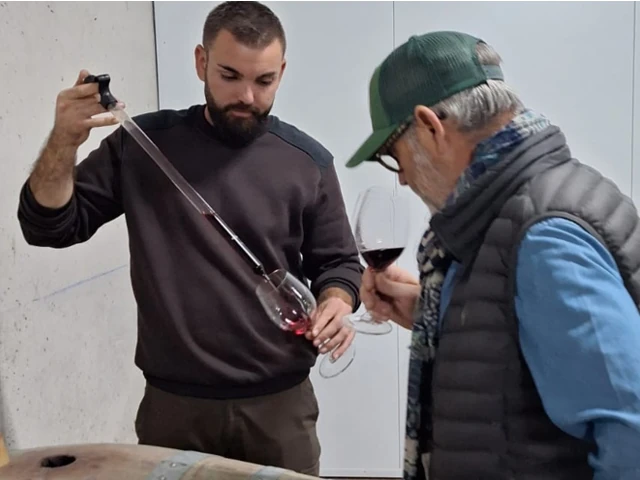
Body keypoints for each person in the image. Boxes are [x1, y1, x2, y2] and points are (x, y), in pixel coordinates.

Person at [16, 1, 362, 475]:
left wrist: (338, 302)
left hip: (279, 406)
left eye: (264, 81)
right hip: (173, 407)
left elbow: (339, 263)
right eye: (229, 75)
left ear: (282, 71)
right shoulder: (142, 146)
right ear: (201, 62)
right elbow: (48, 227)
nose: (246, 96)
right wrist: (63, 142)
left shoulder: (307, 162)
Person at [345, 31, 640, 480]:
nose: (402, 180)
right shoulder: (506, 211)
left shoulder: (544, 234)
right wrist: (432, 312)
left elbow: (631, 431)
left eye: (394, 156)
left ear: (429, 126)